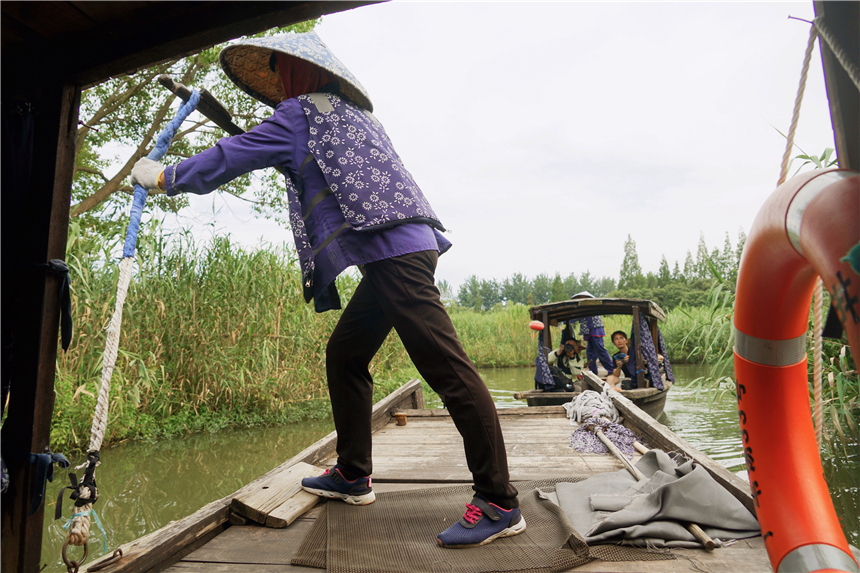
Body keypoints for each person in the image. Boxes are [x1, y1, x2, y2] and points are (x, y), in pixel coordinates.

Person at [130, 32, 523, 548]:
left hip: (394, 253)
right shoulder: (352, 117)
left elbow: (233, 154)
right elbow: (298, 159)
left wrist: (166, 176)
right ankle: (353, 475)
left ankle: (498, 501)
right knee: (345, 355)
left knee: (448, 370)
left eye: (281, 68)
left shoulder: (299, 115)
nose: (280, 79)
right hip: (405, 247)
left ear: (300, 71)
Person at [570, 292, 615, 376]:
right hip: (587, 332)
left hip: (595, 329)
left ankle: (611, 369)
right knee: (590, 352)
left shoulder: (593, 307)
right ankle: (593, 373)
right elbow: (576, 318)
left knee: (600, 349)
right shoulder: (582, 310)